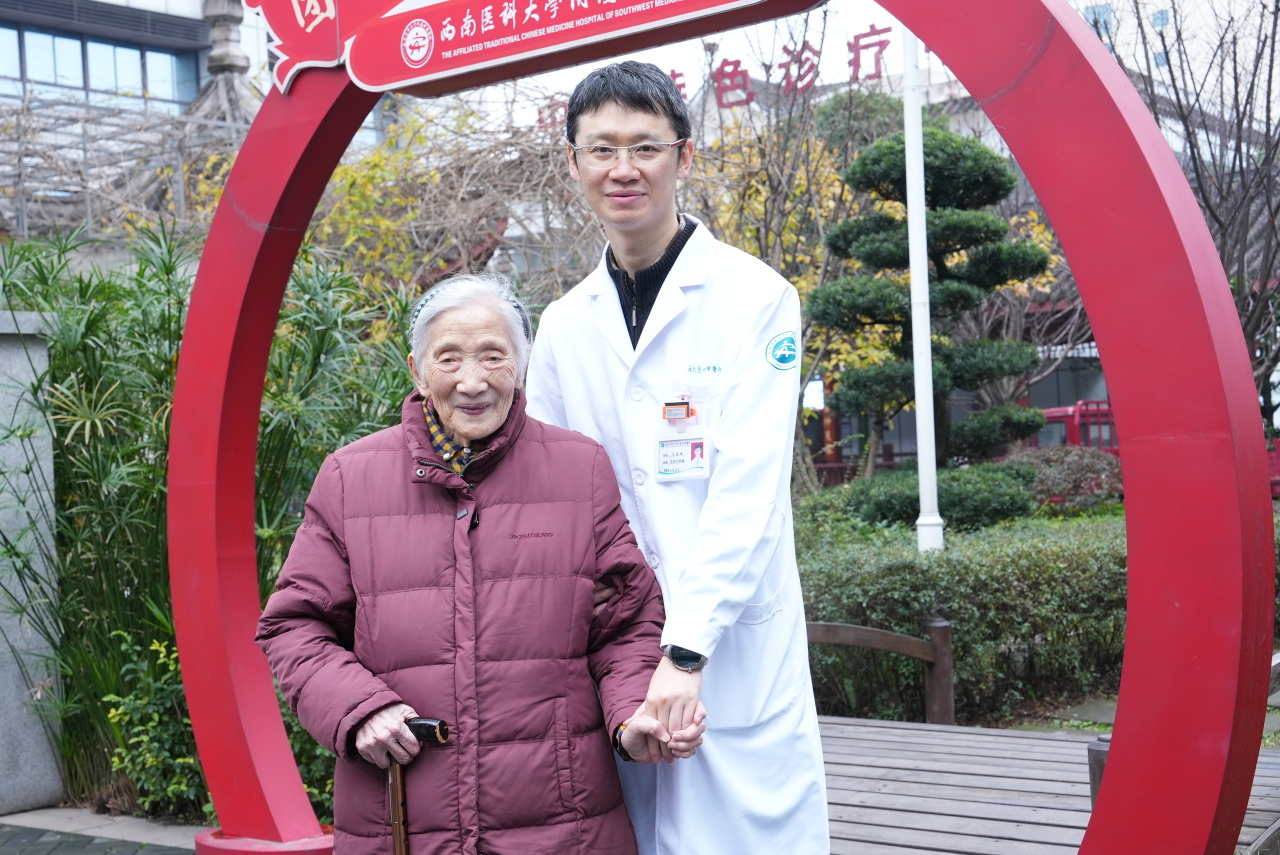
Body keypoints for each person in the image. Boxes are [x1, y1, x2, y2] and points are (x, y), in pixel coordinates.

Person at [256, 274, 704, 855]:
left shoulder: (579, 470)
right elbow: (294, 625)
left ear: (521, 367)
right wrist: (359, 709)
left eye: (493, 356)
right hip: (402, 817)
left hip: (561, 823)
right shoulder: (350, 477)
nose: (472, 381)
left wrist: (631, 714)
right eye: (449, 358)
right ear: (418, 372)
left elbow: (626, 622)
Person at [525, 61, 831, 854]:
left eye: (645, 147)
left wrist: (686, 648)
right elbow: (547, 497)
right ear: (574, 164)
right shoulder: (563, 325)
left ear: (684, 156)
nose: (622, 168)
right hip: (616, 646)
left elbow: (748, 491)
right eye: (601, 149)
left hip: (730, 647)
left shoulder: (756, 298)